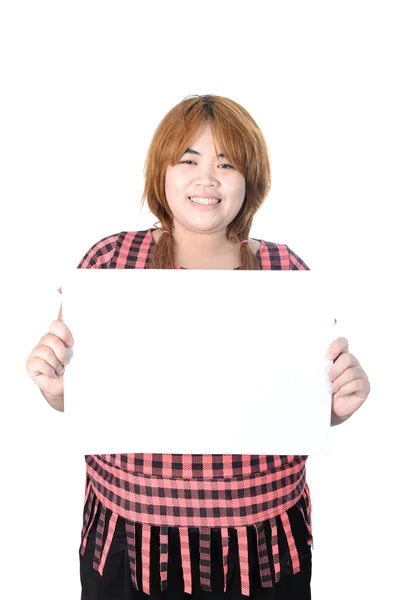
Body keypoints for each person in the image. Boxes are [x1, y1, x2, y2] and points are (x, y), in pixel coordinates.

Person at [26, 95, 371, 600]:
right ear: (160, 172)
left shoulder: (286, 271)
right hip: (132, 542)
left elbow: (303, 406)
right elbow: (75, 398)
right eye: (188, 161)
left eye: (226, 164)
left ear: (250, 179)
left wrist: (337, 408)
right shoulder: (110, 261)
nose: (206, 179)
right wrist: (57, 390)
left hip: (262, 547)